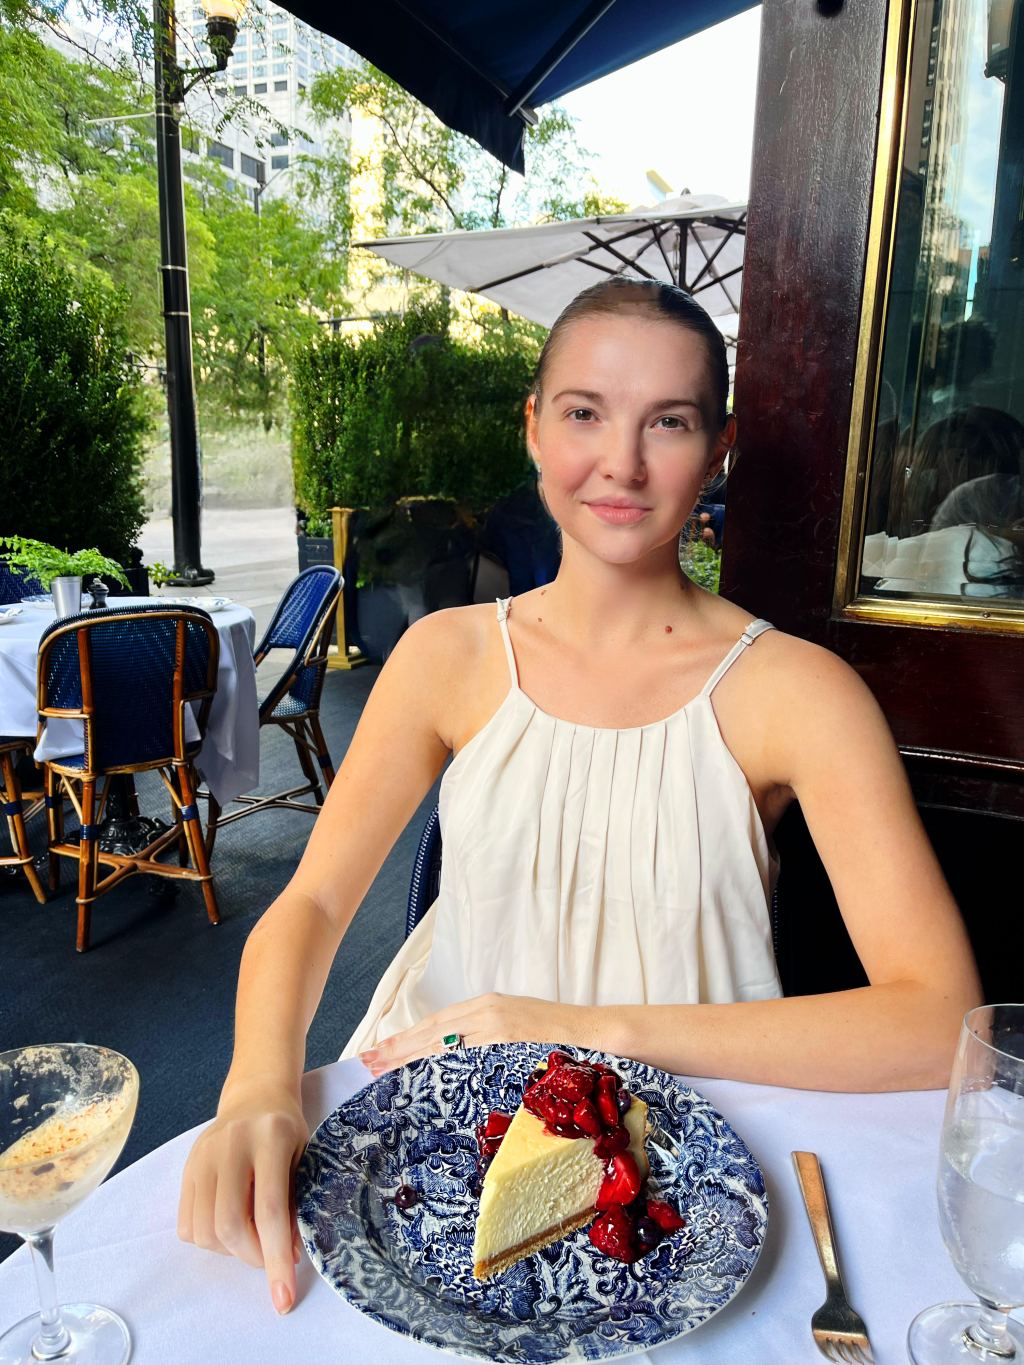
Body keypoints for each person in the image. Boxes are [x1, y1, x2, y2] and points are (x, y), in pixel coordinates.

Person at [178, 278, 980, 1315]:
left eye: (670, 422)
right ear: (534, 427)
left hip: (689, 1156)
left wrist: (579, 1027)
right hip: (434, 1132)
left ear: (719, 448)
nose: (622, 463)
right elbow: (315, 902)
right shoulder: (446, 656)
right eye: (585, 412)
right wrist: (256, 1083)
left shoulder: (800, 692)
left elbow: (939, 1020)